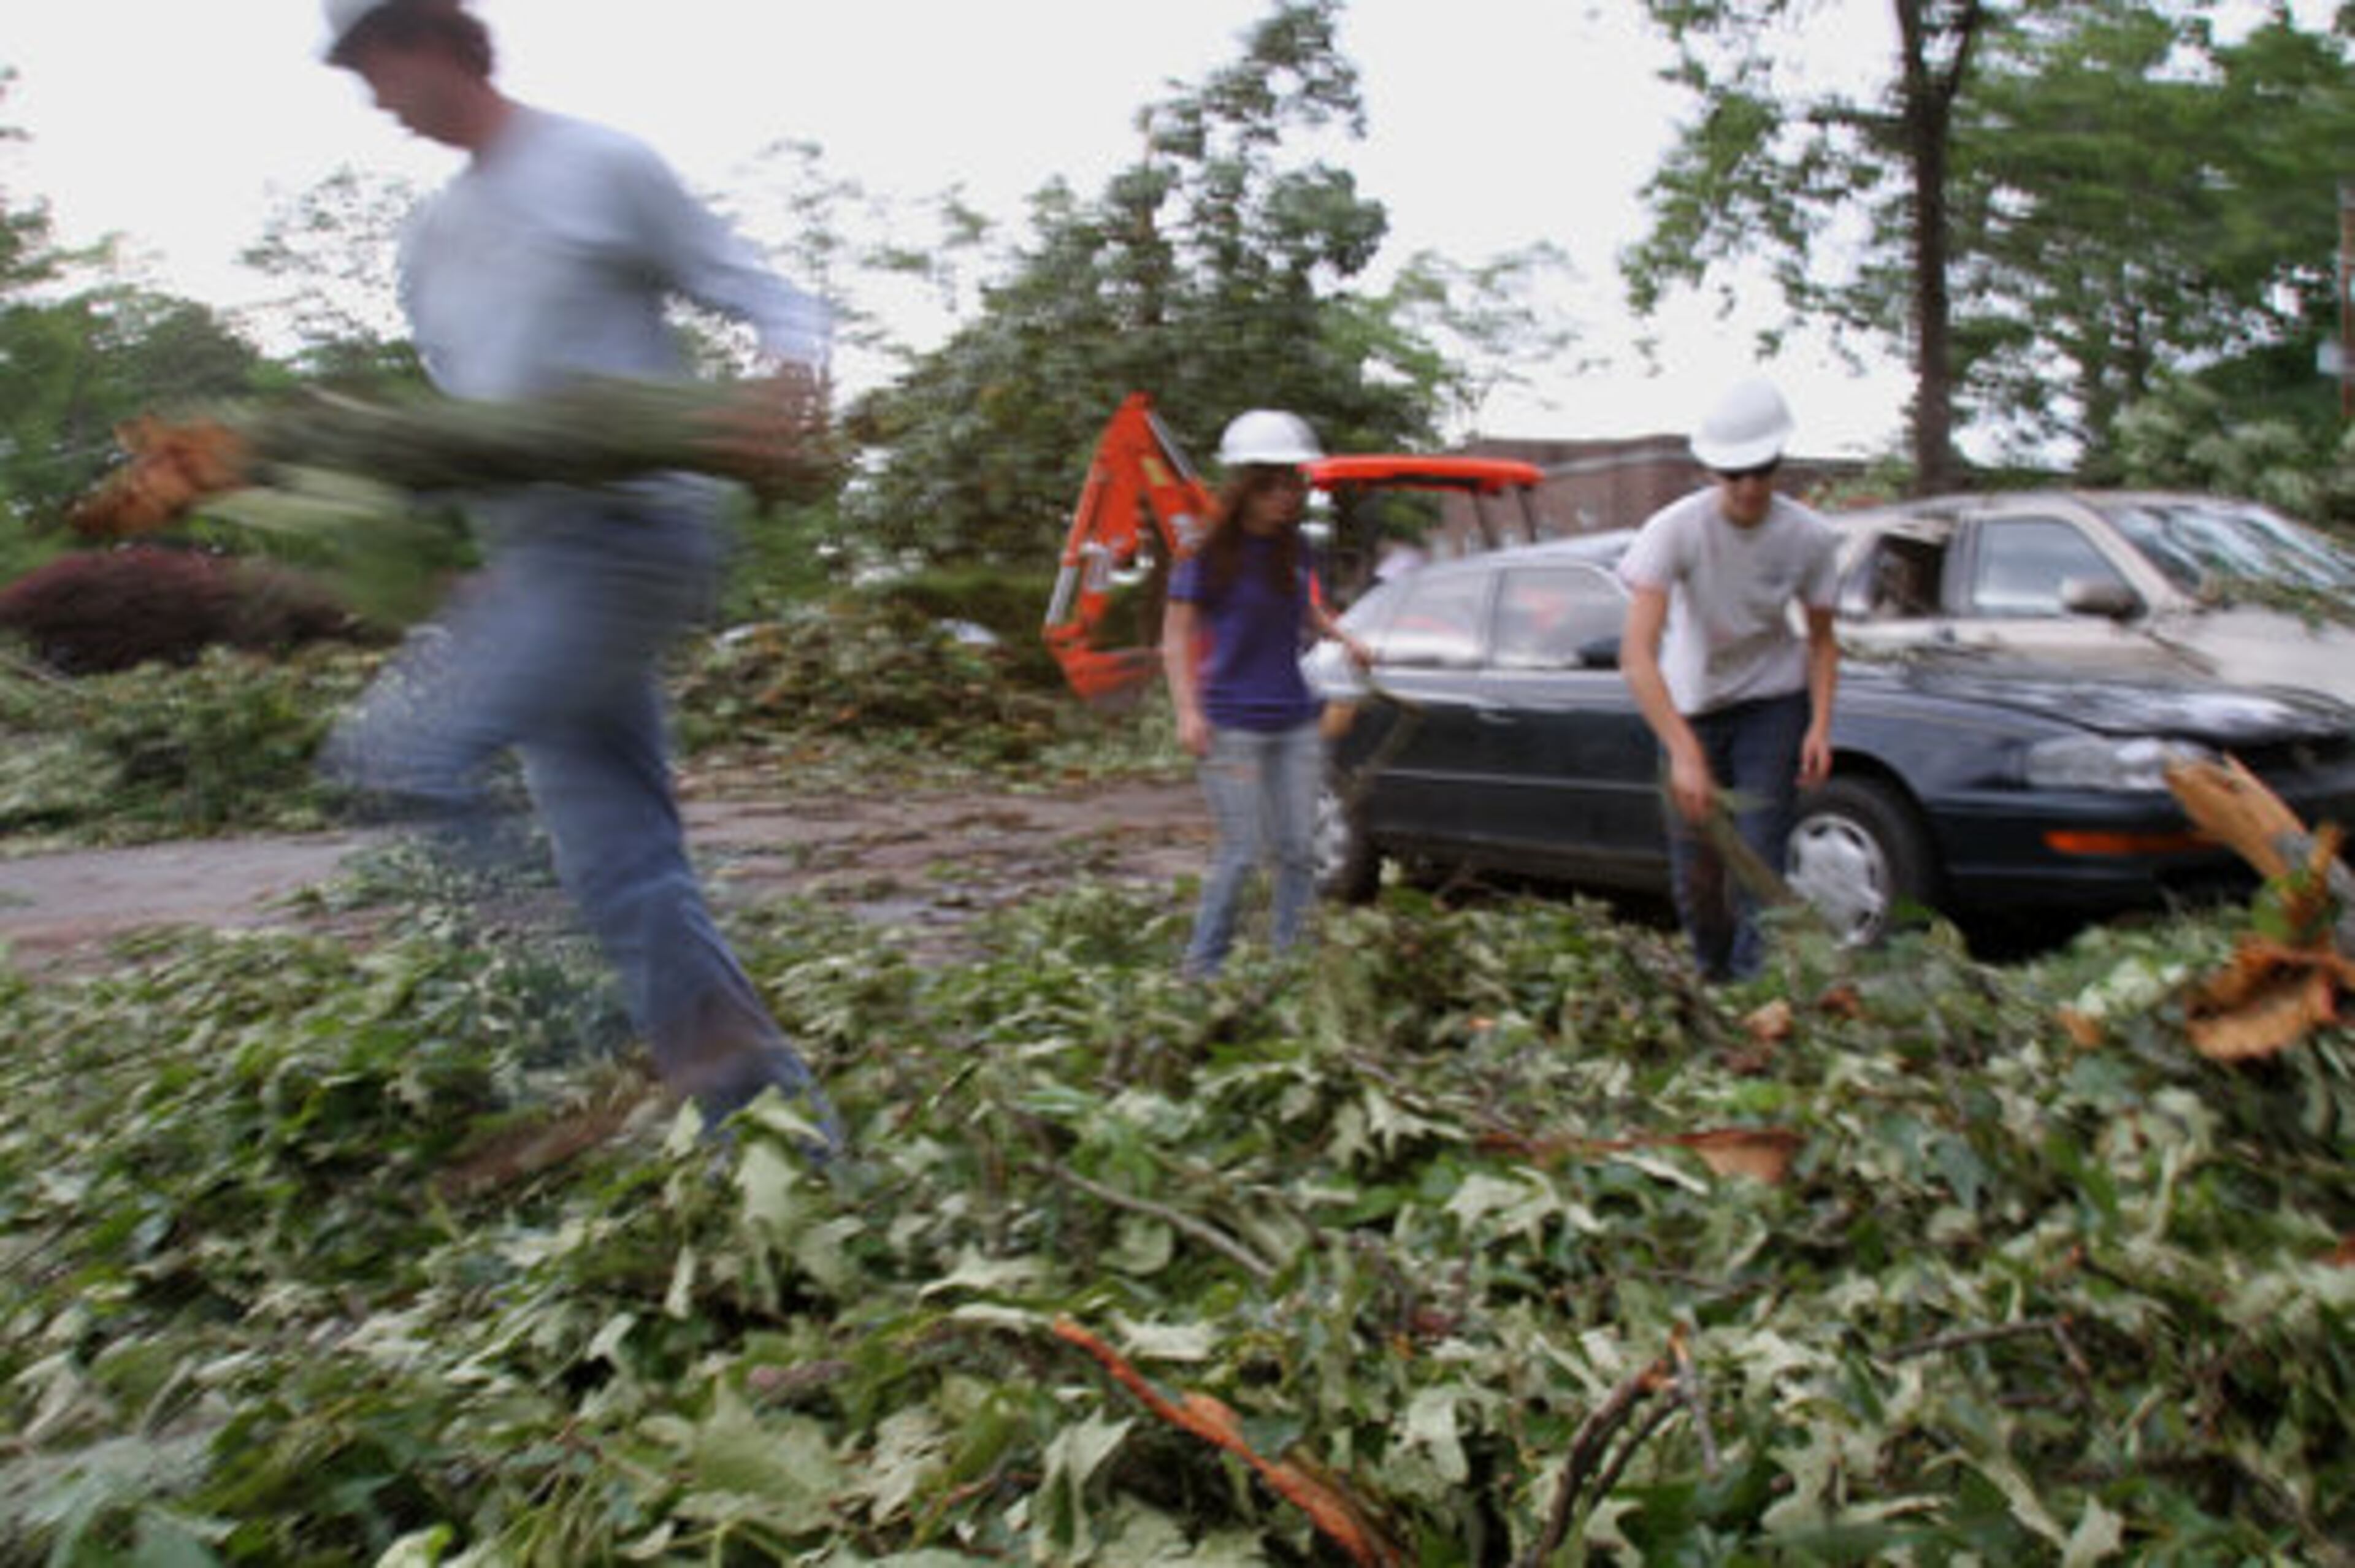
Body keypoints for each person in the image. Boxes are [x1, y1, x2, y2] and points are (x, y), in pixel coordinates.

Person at [316, 0, 840, 1146]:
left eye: (375, 60)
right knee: (624, 864)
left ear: (440, 40)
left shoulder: (598, 164)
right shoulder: (431, 244)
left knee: (399, 753)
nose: (372, 93)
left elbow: (773, 296)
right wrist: (475, 563)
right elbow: (475, 427)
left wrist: (786, 380)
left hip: (636, 534)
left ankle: (590, 1042)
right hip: (539, 562)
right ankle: (777, 1126)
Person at [1617, 376, 1840, 983]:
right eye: (1732, 473)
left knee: (1758, 859)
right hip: (1690, 706)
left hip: (1773, 704)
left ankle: (1752, 994)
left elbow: (1821, 641)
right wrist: (1685, 752)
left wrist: (1820, 725)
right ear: (1711, 469)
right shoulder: (1675, 530)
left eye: (1761, 471)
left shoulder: (1810, 538)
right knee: (1696, 872)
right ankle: (1711, 979)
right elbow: (1636, 655)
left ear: (1780, 463)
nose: (1747, 487)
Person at [1162, 410, 1371, 979]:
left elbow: (1304, 606)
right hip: (1231, 724)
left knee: (1299, 849)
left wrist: (1346, 636)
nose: (1286, 496)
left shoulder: (1295, 547)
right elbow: (1175, 638)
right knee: (1242, 852)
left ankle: (1290, 964)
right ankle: (1202, 968)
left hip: (1294, 718)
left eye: (1293, 484)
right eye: (1272, 485)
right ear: (1245, 487)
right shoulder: (1204, 553)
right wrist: (1187, 712)